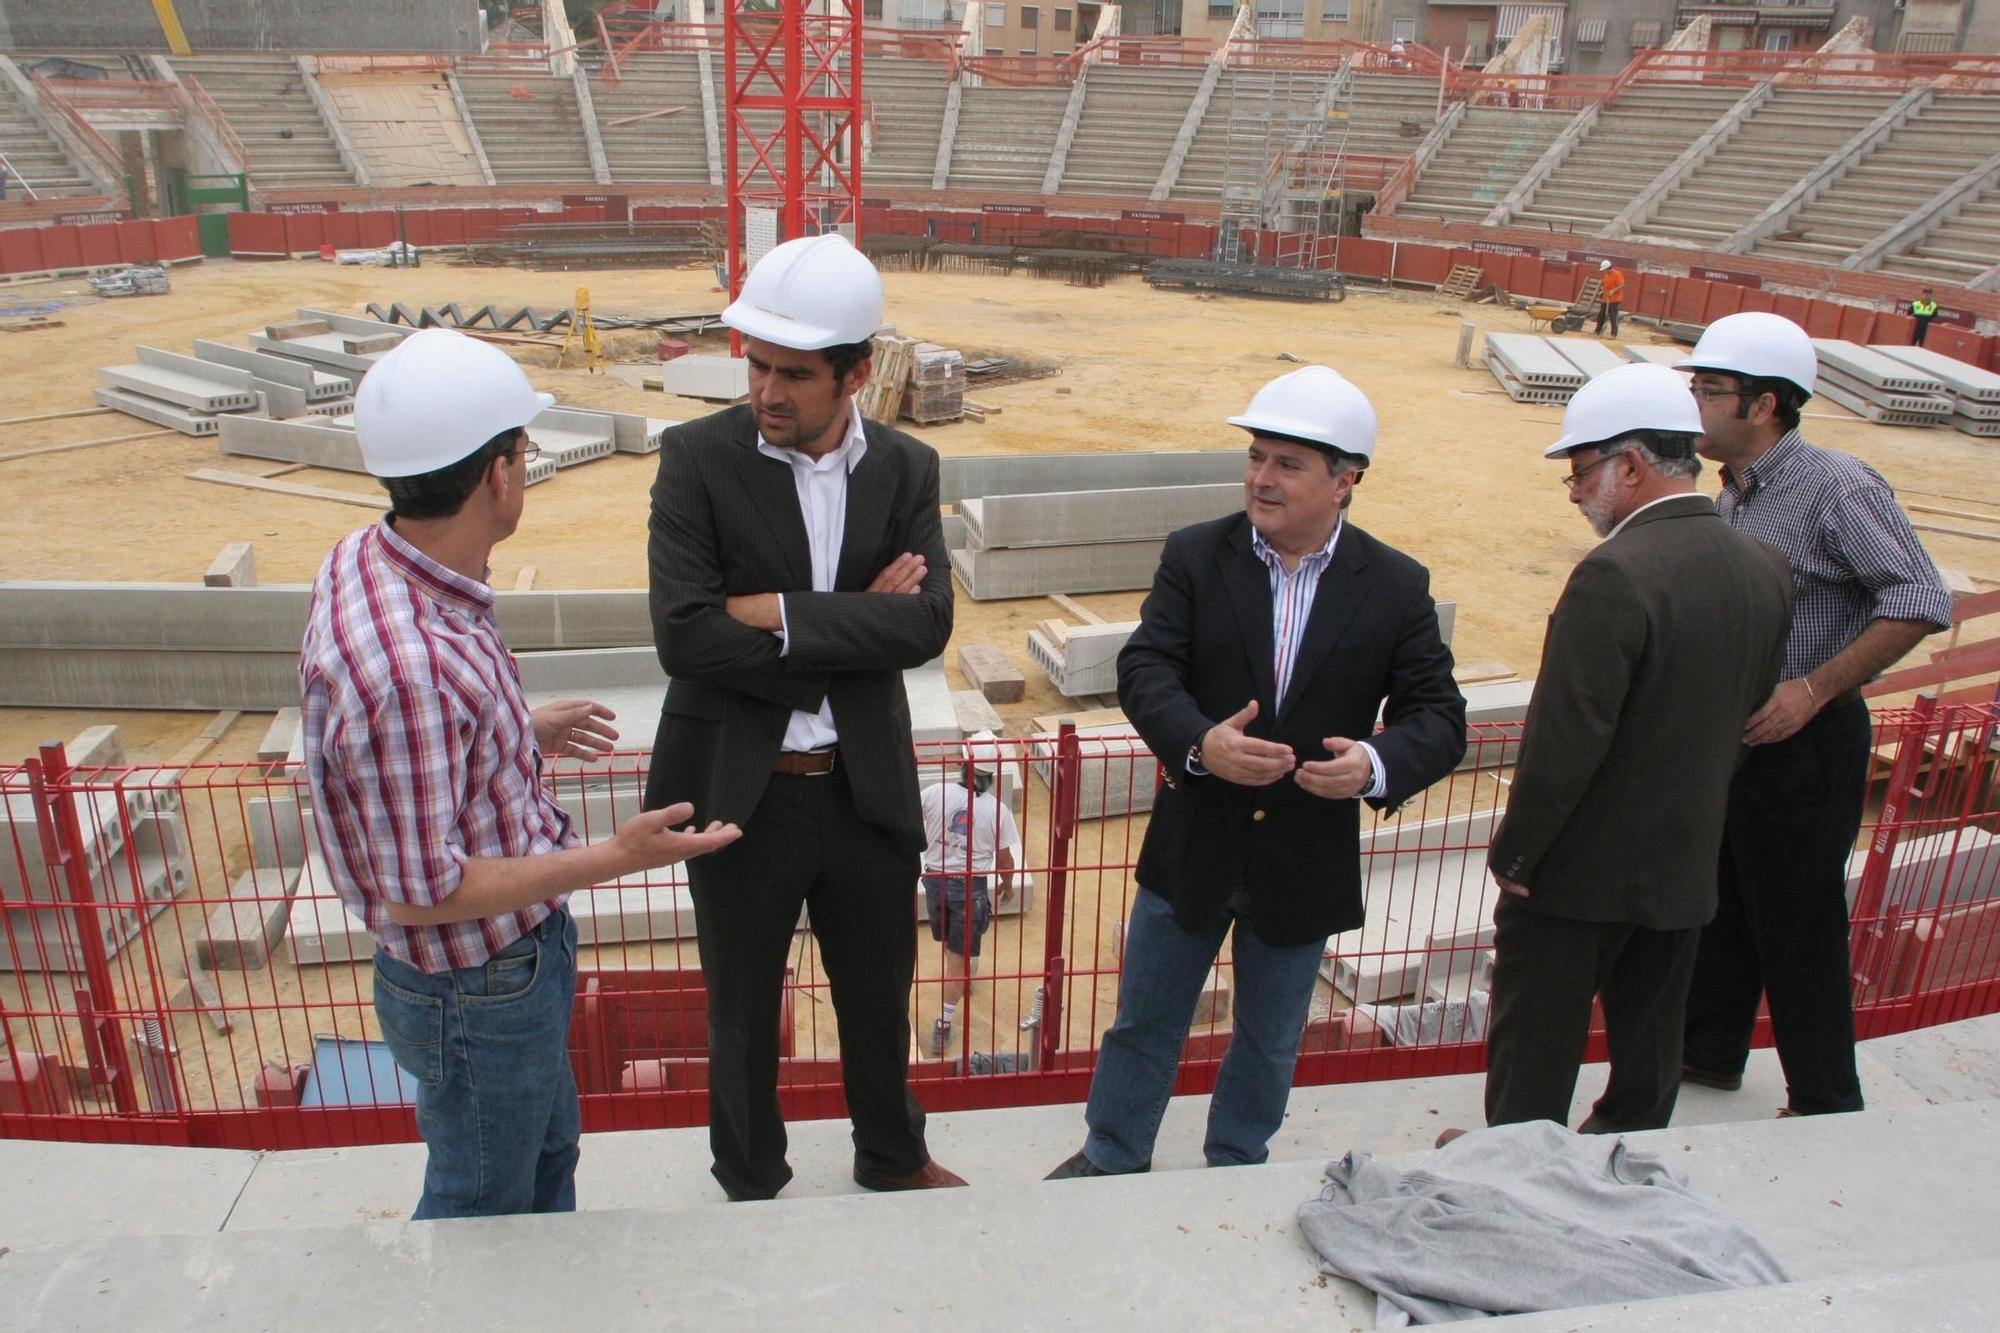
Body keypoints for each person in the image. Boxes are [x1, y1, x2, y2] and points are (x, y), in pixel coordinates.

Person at [300, 329, 740, 1220]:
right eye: (521, 450)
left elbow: (411, 756)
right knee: (482, 1201)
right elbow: (425, 889)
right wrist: (615, 856)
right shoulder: (410, 669)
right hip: (479, 982)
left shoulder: (374, 557)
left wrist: (516, 729)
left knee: (543, 1151)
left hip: (496, 973)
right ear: (498, 476)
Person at [1046, 366, 1466, 1179]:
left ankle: (1237, 1159)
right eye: (1256, 457)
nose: (1259, 478)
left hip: (1302, 859)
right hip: (1193, 847)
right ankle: (1111, 1153)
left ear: (1345, 481)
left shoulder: (1395, 586)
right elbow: (1147, 668)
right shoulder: (1197, 556)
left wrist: (1376, 763)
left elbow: (1437, 717)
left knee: (1270, 1036)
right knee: (1144, 1022)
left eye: (1286, 463)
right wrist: (1201, 741)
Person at [644, 232, 966, 1200]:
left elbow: (927, 625)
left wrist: (777, 613)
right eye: (755, 365)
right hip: (739, 794)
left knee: (879, 995)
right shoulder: (695, 458)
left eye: (792, 373)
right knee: (740, 1012)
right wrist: (852, 616)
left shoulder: (907, 468)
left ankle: (891, 1155)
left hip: (863, 791)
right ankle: (748, 1178)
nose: (765, 391)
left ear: (856, 374)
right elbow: (686, 637)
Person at [1480, 364, 1793, 1134]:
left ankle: (1516, 1177)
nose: (1577, 491)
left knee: (1535, 1050)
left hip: (1575, 878)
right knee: (1651, 1043)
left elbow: (1565, 744)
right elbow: (1744, 719)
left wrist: (1517, 857)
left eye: (1583, 472)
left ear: (1630, 465)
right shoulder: (1765, 569)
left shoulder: (1613, 575)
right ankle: (1621, 1159)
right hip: (1685, 864)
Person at [1676, 312, 1953, 1117]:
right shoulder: (1730, 493)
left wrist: (1814, 689)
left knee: (1798, 924)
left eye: (1709, 390)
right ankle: (1710, 1055)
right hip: (1741, 743)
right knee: (1722, 900)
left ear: (1764, 405)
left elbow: (1920, 597)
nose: (1694, 403)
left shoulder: (1836, 485)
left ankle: (1826, 1099)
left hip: (1809, 743)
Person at [920, 730, 1023, 1057]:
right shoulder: (997, 810)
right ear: (992, 777)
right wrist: (1007, 884)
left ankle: (960, 972)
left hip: (934, 880)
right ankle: (945, 1021)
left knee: (952, 947)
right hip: (970, 886)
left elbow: (909, 819)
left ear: (964, 765)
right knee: (959, 955)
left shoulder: (935, 793)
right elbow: (1005, 860)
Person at [1594, 259, 1626, 338]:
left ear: (1608, 268)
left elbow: (1622, 285)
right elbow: (1606, 286)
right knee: (1601, 315)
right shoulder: (1606, 275)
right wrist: (1602, 291)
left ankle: (1613, 334)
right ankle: (1597, 331)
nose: (1604, 271)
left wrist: (1613, 291)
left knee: (1613, 316)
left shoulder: (1617, 274)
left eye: (1605, 270)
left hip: (1615, 299)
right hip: (1606, 298)